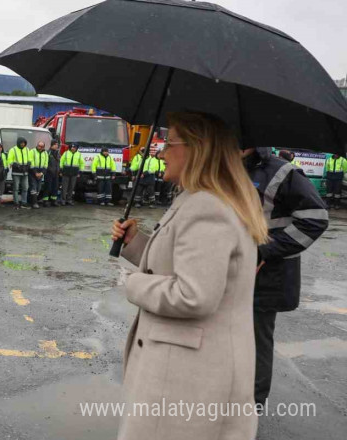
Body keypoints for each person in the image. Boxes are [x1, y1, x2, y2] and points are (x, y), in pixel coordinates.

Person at [111, 111, 267, 439]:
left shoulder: (207, 207)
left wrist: (132, 283)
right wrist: (135, 244)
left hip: (185, 380)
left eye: (169, 143)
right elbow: (187, 265)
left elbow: (193, 295)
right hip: (189, 374)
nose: (161, 151)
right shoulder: (206, 199)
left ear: (197, 148)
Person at [243, 147, 328, 408]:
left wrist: (263, 251)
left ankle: (251, 407)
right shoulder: (224, 168)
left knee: (256, 341)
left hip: (267, 276)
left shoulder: (281, 172)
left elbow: (315, 219)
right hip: (233, 271)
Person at [7, 137, 31, 208]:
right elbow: (9, 160)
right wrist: (15, 164)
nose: (23, 144)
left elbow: (29, 158)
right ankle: (16, 202)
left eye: (24, 143)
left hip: (25, 172)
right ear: (18, 143)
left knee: (25, 188)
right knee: (16, 188)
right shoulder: (13, 149)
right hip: (16, 172)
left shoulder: (27, 149)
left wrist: (29, 164)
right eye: (21, 143)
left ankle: (24, 202)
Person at [27, 141, 49, 209]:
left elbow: (46, 164)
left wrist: (41, 173)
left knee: (38, 188)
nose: (40, 147)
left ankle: (32, 200)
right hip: (32, 172)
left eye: (42, 146)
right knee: (33, 187)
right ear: (37, 145)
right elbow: (31, 162)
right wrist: (35, 173)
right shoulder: (32, 151)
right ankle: (34, 203)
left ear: (44, 147)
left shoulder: (45, 153)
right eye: (39, 146)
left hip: (41, 172)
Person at [44, 142, 61, 207]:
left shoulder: (58, 153)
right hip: (49, 173)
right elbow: (45, 162)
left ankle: (53, 201)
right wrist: (49, 169)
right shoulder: (47, 152)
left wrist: (59, 170)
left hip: (56, 173)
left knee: (55, 187)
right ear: (51, 145)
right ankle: (45, 201)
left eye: (57, 145)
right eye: (55, 145)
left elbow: (59, 162)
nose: (56, 146)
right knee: (48, 187)